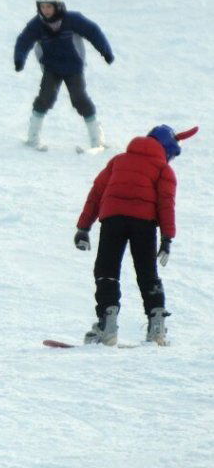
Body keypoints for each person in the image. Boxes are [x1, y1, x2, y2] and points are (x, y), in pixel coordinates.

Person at [74, 125, 198, 347]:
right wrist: (167, 238)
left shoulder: (118, 160)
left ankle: (107, 326)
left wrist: (84, 227)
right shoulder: (163, 169)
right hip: (144, 224)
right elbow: (166, 204)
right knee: (147, 272)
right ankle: (156, 328)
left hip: (113, 220)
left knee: (107, 270)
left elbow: (96, 193)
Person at [14, 0, 114, 152]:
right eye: (42, 7)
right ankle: (32, 138)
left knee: (79, 99)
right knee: (44, 98)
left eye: (49, 6)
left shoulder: (72, 20)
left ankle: (97, 139)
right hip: (51, 68)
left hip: (73, 68)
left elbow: (93, 32)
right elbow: (24, 40)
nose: (45, 10)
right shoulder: (37, 24)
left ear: (58, 5)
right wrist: (19, 59)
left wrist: (105, 51)